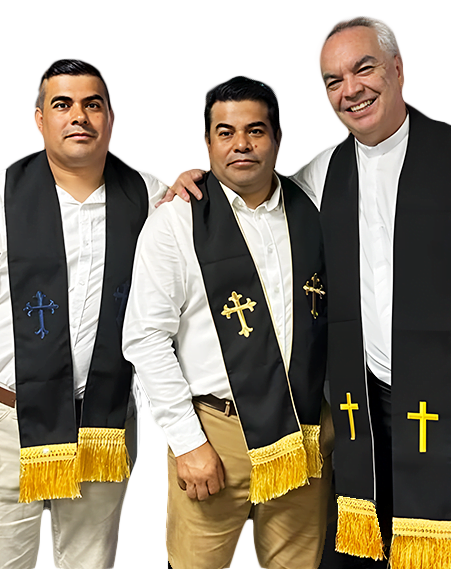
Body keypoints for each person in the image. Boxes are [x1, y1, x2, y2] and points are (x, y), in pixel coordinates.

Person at [166, 16, 451, 569]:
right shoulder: (323, 173)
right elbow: (252, 191)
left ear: (398, 70)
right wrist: (196, 177)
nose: (351, 89)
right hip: (372, 410)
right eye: (333, 80)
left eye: (363, 68)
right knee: (386, 553)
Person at [0, 58, 169, 569]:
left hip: (102, 421)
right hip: (9, 424)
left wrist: (197, 177)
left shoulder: (150, 195)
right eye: (62, 104)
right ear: (40, 120)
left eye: (93, 104)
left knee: (90, 562)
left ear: (110, 118)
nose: (78, 116)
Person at [122, 76, 334, 569]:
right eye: (225, 132)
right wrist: (187, 442)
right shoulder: (176, 220)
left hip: (302, 430)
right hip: (216, 434)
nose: (241, 144)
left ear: (277, 139)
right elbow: (146, 338)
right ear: (206, 142)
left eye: (256, 131)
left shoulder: (312, 205)